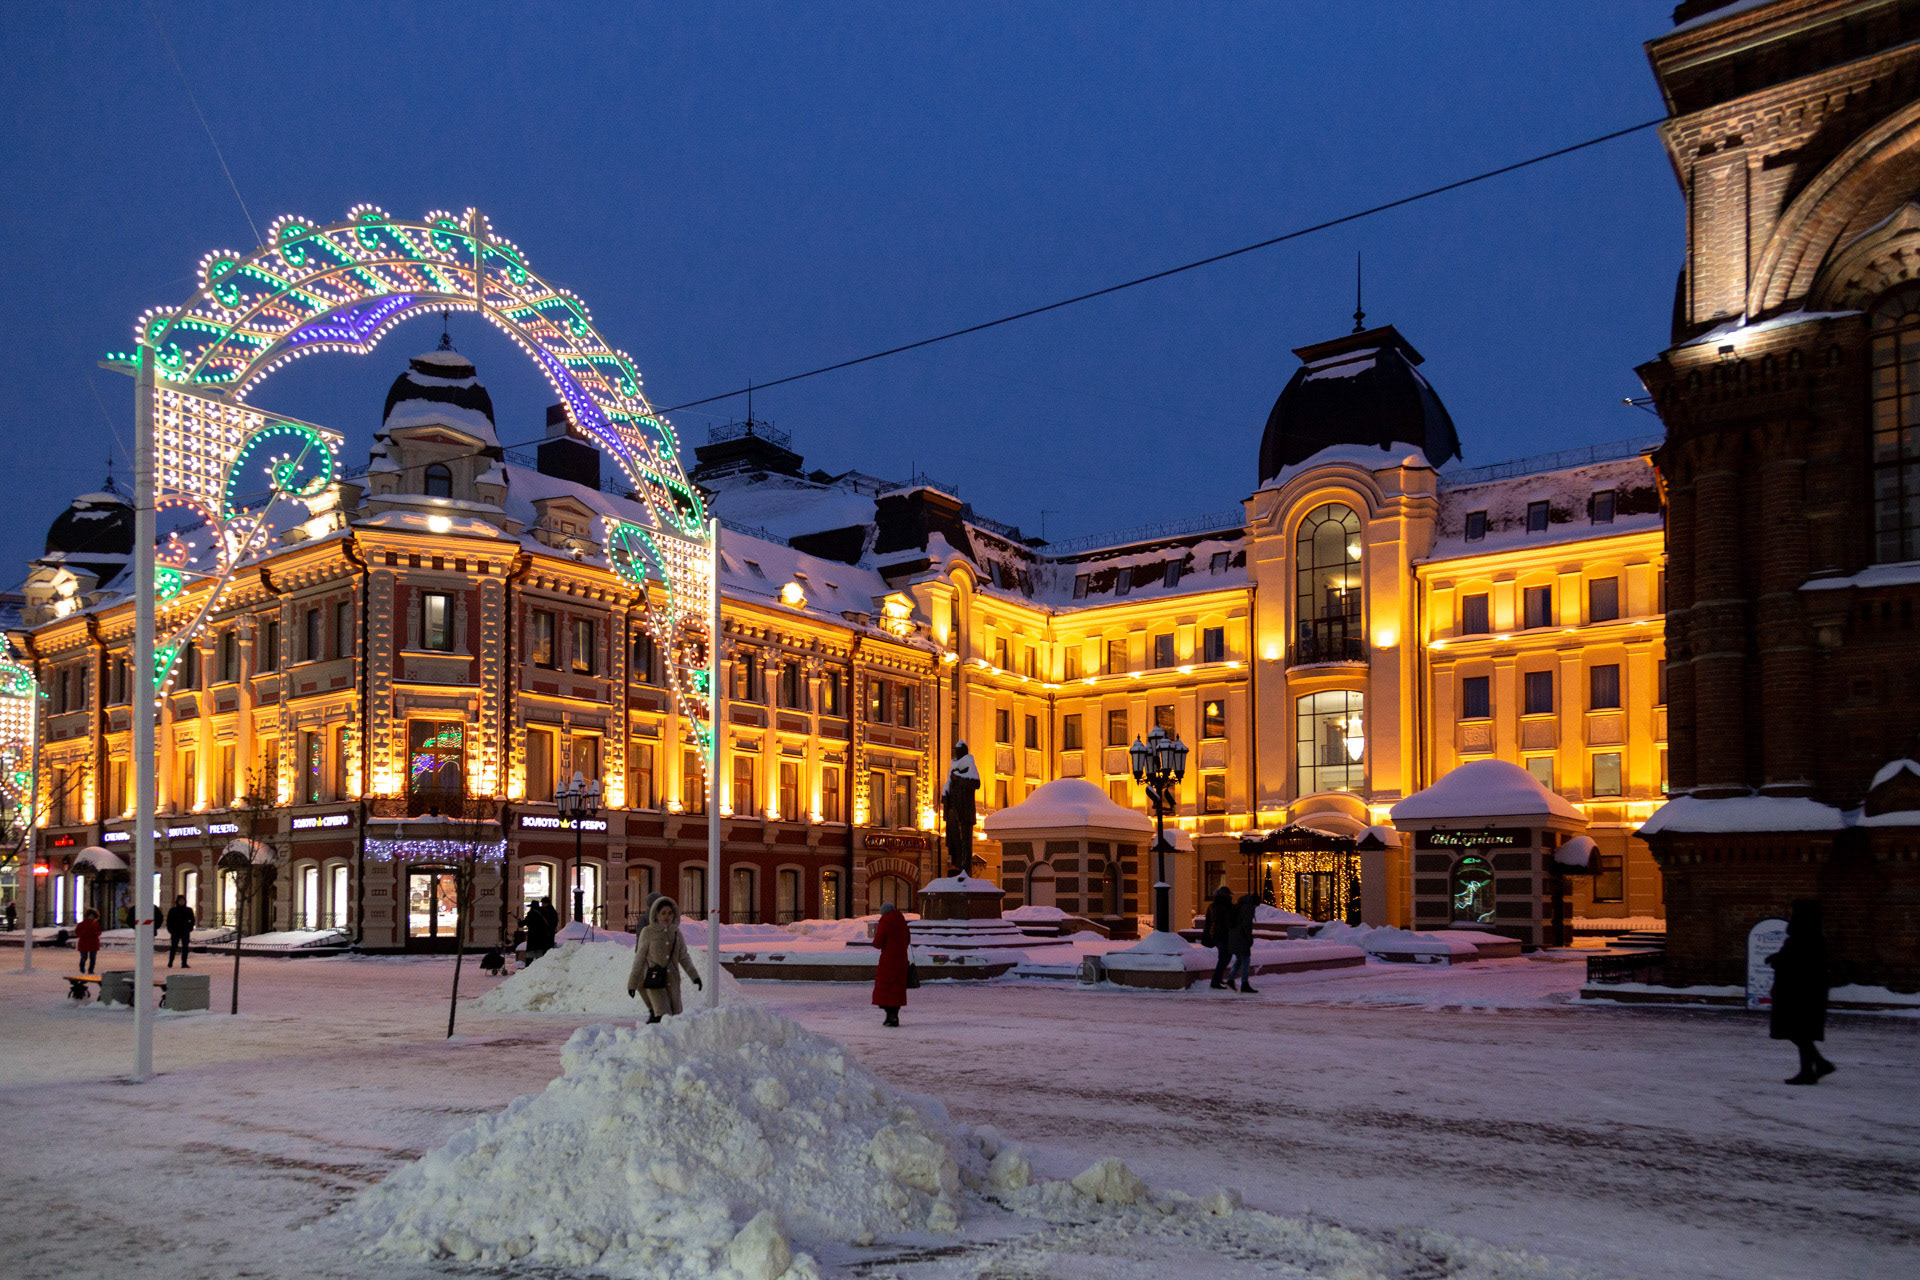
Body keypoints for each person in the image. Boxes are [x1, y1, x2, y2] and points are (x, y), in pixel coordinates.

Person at [1768, 899, 1835, 1085]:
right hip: (1803, 992)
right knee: (1799, 1031)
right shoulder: (1810, 936)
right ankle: (1813, 1068)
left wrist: (1778, 960)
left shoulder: (1805, 937)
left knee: (1796, 1030)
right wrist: (1778, 958)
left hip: (1799, 993)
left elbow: (1798, 963)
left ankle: (1814, 1067)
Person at [626, 896, 702, 1022]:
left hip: (673, 982)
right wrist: (632, 984)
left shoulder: (676, 933)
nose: (667, 916)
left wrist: (695, 976)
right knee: (663, 1016)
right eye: (663, 913)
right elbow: (639, 959)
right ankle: (652, 1040)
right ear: (656, 914)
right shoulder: (648, 932)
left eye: (670, 913)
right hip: (655, 981)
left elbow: (684, 956)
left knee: (675, 1019)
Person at [871, 902, 911, 1027]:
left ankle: (890, 1015)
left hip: (888, 959)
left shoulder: (885, 922)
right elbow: (907, 940)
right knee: (896, 988)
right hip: (901, 959)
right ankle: (894, 1015)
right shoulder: (902, 922)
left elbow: (878, 942)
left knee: (886, 988)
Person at [1202, 886, 1236, 990]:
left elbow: (1208, 922)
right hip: (1223, 935)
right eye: (1229, 894)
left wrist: (1207, 934)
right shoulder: (1226, 906)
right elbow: (1229, 921)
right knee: (1224, 958)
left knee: (1224, 957)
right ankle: (1215, 981)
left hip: (1215, 935)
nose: (1230, 896)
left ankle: (1218, 978)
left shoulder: (1212, 906)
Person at [1228, 893, 1259, 994]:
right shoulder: (1248, 908)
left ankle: (1230, 980)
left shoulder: (1239, 905)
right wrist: (1249, 938)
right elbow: (1247, 924)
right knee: (1245, 960)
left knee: (1240, 959)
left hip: (1233, 935)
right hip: (1242, 937)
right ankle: (1244, 984)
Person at [165, 895, 195, 969]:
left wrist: (190, 928)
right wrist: (170, 930)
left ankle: (184, 963)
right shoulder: (173, 910)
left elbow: (192, 920)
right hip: (175, 931)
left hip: (185, 931)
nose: (182, 902)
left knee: (185, 947)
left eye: (183, 901)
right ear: (177, 901)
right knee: (173, 947)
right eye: (180, 901)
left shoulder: (188, 910)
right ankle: (170, 962)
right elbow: (169, 921)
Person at [74, 909, 102, 974]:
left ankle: (91, 970)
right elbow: (77, 932)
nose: (91, 917)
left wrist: (96, 933)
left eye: (92, 916)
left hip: (93, 943)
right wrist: (82, 934)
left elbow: (99, 931)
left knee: (93, 958)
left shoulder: (96, 924)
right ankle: (82, 967)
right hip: (84, 942)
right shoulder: (82, 924)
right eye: (90, 916)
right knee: (84, 957)